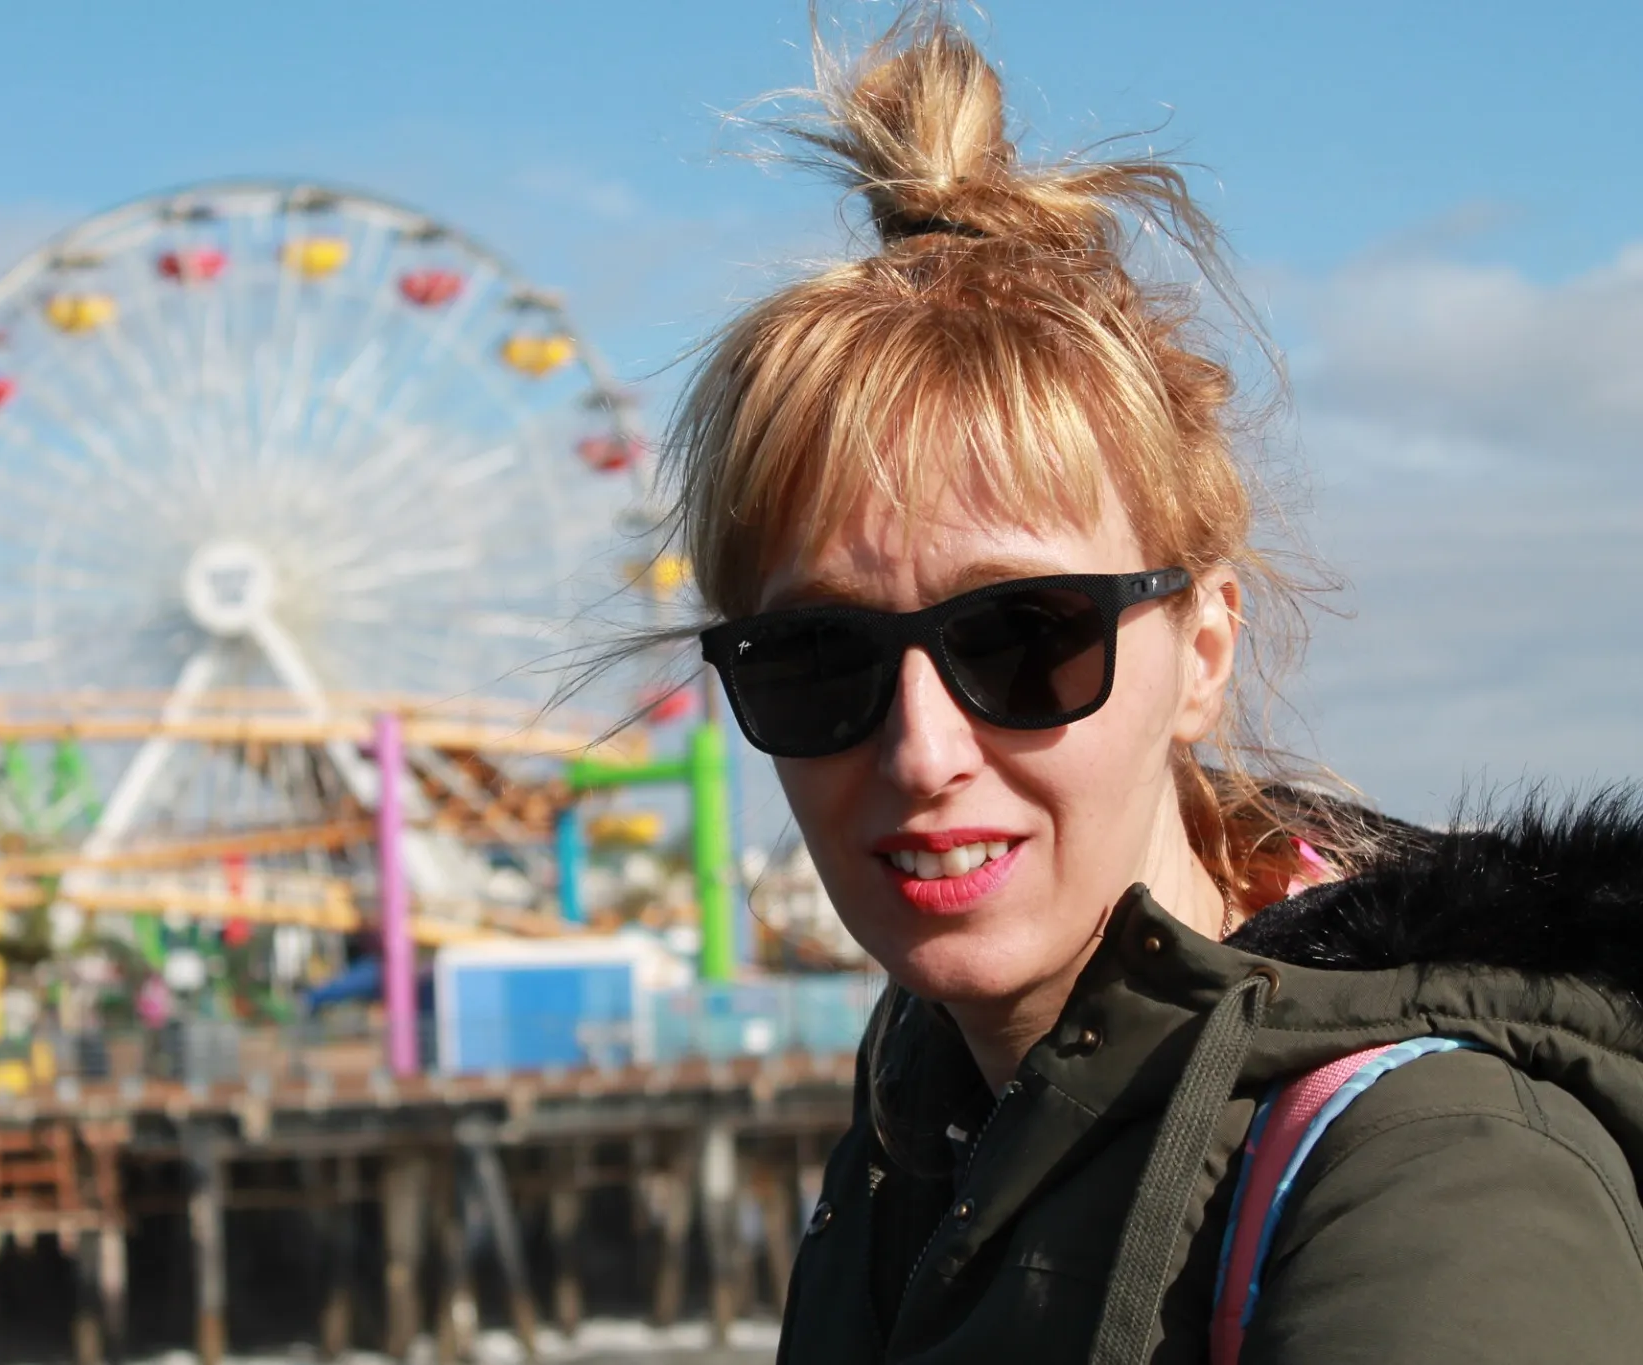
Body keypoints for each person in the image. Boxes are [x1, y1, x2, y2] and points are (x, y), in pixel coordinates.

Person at [665, 8, 1643, 1362]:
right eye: (818, 661)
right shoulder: (917, 1138)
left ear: (1205, 645)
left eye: (1025, 639)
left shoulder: (1433, 1181)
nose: (921, 749)